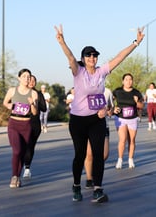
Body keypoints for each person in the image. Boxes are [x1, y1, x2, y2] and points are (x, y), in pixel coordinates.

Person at [55, 23, 144, 203]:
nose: (92, 58)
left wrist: (136, 43)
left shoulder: (101, 72)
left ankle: (98, 189)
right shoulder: (78, 72)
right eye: (89, 55)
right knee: (80, 155)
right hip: (78, 120)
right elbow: (71, 58)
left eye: (95, 55)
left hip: (97, 118)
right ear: (84, 58)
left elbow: (120, 57)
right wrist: (62, 42)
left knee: (98, 154)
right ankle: (76, 185)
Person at [3, 68, 39, 188]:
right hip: (14, 123)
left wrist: (32, 103)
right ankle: (14, 176)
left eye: (28, 77)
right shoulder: (13, 90)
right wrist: (11, 106)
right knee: (17, 150)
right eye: (24, 76)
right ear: (19, 78)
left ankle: (18, 176)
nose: (26, 79)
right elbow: (5, 102)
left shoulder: (33, 93)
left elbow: (34, 112)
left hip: (26, 125)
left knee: (22, 153)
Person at [113, 73, 144, 169]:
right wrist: (114, 108)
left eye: (130, 79)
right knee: (122, 139)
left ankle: (130, 159)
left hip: (132, 118)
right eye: (126, 79)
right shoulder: (117, 91)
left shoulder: (136, 92)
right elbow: (110, 102)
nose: (128, 81)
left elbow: (141, 106)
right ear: (123, 81)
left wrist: (137, 102)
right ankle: (120, 159)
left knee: (131, 140)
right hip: (120, 118)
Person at [84, 87, 114, 189]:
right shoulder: (85, 89)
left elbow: (110, 109)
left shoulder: (107, 91)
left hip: (103, 125)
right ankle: (89, 178)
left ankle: (93, 171)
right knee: (89, 153)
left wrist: (110, 110)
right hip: (88, 125)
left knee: (104, 155)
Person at [23, 75, 47, 178]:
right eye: (30, 80)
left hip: (34, 123)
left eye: (34, 80)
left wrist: (35, 103)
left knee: (30, 146)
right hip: (22, 122)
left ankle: (27, 168)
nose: (32, 82)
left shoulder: (39, 94)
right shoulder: (21, 93)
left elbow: (44, 109)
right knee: (22, 146)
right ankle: (22, 164)